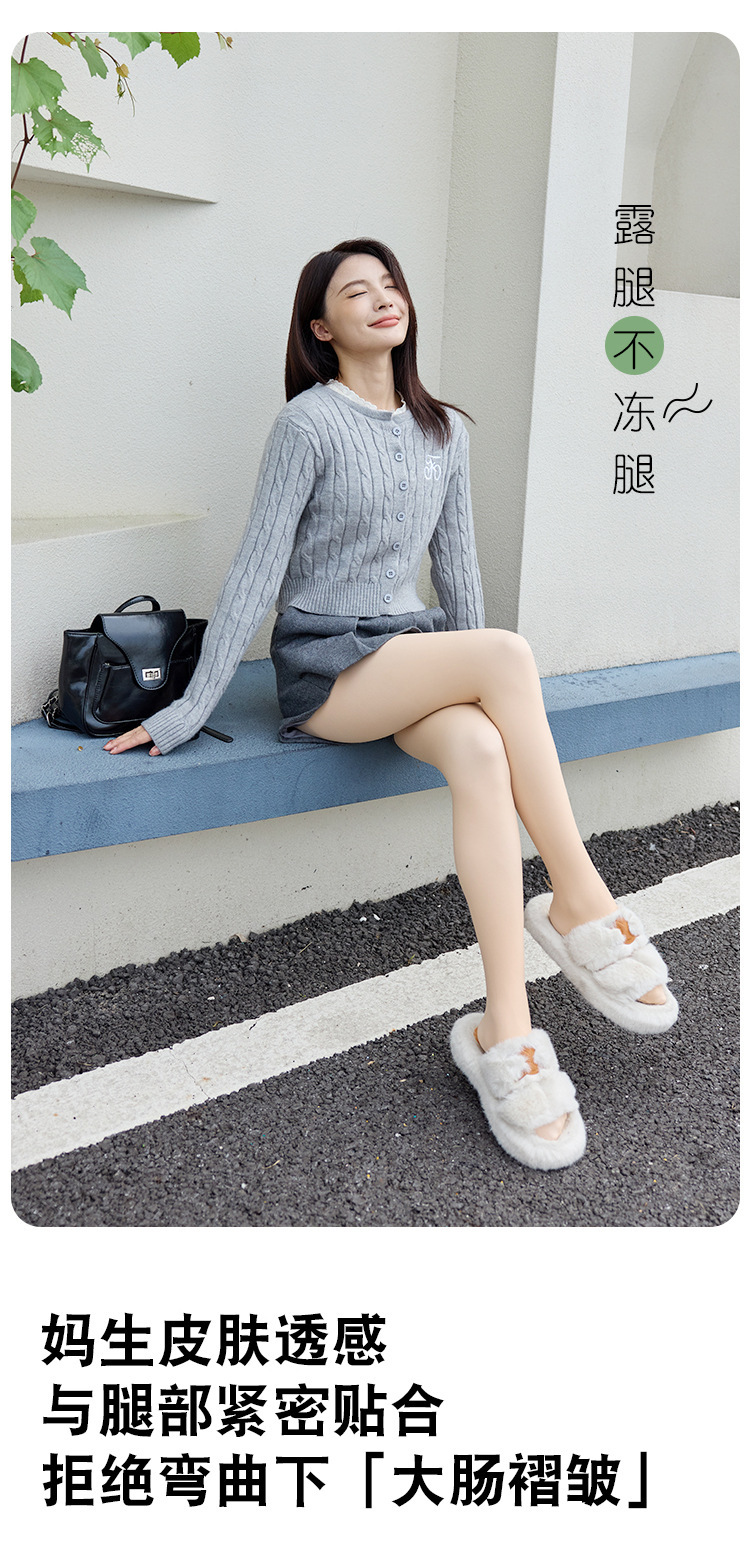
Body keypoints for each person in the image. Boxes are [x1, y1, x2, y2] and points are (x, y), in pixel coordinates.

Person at [104, 237, 678, 1170]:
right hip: (328, 667)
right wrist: (187, 708)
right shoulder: (307, 425)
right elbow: (256, 570)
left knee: (483, 750)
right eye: (355, 292)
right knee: (507, 654)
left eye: (390, 285)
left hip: (409, 653)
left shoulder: (443, 430)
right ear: (321, 328)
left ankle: (505, 1030)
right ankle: (580, 900)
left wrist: (482, 693)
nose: (382, 299)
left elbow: (459, 574)